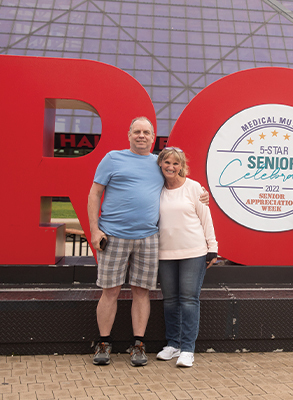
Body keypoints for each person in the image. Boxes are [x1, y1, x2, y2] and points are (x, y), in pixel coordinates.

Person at [87, 117, 208, 367]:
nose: (141, 136)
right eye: (137, 131)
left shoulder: (158, 163)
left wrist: (200, 193)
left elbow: (179, 180)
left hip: (148, 238)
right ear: (129, 134)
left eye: (146, 132)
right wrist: (94, 230)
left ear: (153, 138)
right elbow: (94, 193)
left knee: (141, 292)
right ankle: (103, 343)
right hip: (114, 235)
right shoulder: (112, 158)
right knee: (110, 291)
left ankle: (139, 345)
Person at [154, 147, 218, 368]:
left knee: (189, 300)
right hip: (165, 254)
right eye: (167, 163)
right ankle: (173, 344)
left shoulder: (194, 188)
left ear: (182, 166)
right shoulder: (156, 189)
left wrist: (213, 247)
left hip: (193, 252)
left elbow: (205, 218)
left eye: (176, 163)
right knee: (170, 300)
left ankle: (188, 349)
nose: (171, 167)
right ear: (160, 164)